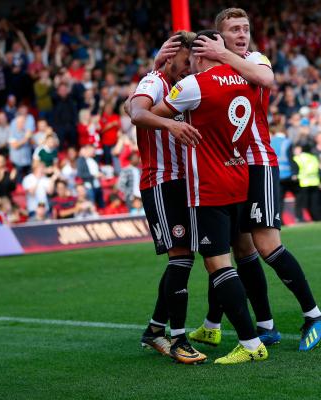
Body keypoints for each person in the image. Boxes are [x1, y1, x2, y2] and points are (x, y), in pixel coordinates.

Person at [182, 9, 321, 351]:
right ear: (219, 35)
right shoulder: (216, 70)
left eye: (245, 28)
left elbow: (266, 80)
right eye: (234, 29)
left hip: (258, 161)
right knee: (241, 248)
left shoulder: (254, 59)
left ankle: (313, 313)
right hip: (232, 168)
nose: (242, 33)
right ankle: (265, 326)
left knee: (266, 245)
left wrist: (224, 55)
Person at [150, 29, 269, 364]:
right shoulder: (245, 79)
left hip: (208, 187)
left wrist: (160, 76)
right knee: (236, 256)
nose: (188, 66)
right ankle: (224, 327)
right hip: (239, 179)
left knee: (218, 265)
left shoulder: (193, 86)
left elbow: (150, 114)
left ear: (201, 54)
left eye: (191, 59)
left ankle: (249, 343)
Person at [128, 31, 206, 364]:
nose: (190, 69)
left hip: (185, 182)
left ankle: (155, 330)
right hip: (161, 181)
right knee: (181, 258)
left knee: (183, 258)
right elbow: (136, 113)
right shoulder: (154, 81)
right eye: (186, 62)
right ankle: (177, 339)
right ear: (171, 55)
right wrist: (170, 125)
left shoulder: (187, 86)